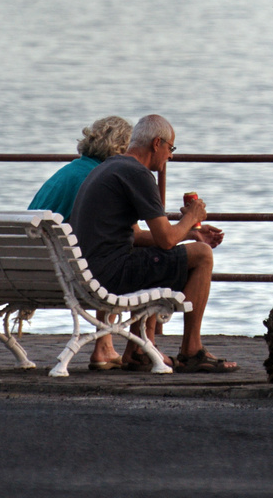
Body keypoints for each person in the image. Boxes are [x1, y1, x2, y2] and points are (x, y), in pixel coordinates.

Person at [69, 113, 237, 373]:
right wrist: (192, 217)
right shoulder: (137, 173)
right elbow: (166, 239)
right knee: (202, 255)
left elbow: (135, 236)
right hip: (111, 275)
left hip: (89, 273)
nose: (171, 156)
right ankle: (192, 350)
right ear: (156, 143)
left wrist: (191, 234)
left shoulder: (111, 166)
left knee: (162, 253)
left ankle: (138, 350)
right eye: (171, 148)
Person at [29, 115, 131, 368]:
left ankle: (105, 345)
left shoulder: (68, 172)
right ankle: (121, 346)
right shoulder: (98, 179)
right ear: (120, 149)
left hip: (29, 269)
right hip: (62, 274)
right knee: (119, 253)